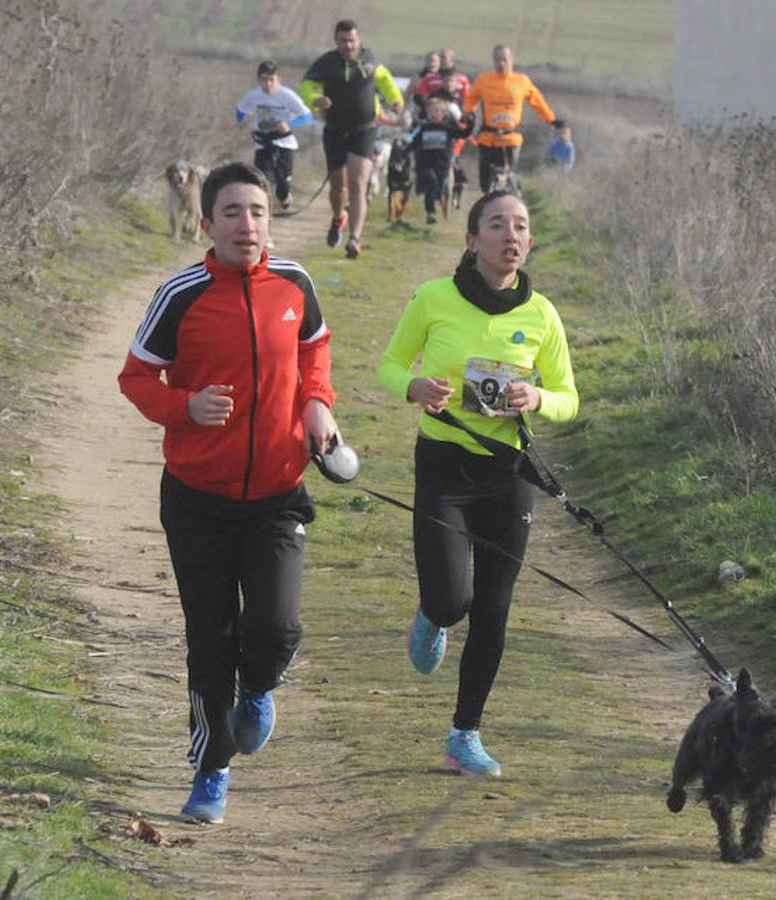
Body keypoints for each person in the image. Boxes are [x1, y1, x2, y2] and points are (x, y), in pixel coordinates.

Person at [118, 162, 339, 823]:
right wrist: (186, 407)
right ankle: (211, 771)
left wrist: (318, 406)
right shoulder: (180, 295)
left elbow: (315, 353)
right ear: (207, 221)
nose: (248, 225)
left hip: (278, 492)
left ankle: (259, 688)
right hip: (198, 499)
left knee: (276, 629)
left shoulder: (295, 284)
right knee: (209, 640)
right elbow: (136, 379)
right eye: (234, 213)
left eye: (259, 212)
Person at [377, 190, 579, 777]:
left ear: (529, 243)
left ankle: (464, 735)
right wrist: (413, 388)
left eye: (520, 226)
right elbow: (389, 365)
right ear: (472, 241)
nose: (510, 236)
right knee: (452, 600)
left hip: (505, 474)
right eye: (497, 225)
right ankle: (432, 614)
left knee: (494, 608)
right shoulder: (433, 299)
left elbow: (569, 397)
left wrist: (538, 396)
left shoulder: (541, 314)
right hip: (443, 465)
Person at [300, 19, 404, 259]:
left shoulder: (371, 60)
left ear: (359, 40)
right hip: (335, 130)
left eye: (352, 40)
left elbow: (387, 83)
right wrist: (315, 99)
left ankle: (355, 238)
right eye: (343, 41)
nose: (348, 45)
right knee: (338, 186)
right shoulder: (326, 63)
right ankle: (338, 217)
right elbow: (307, 85)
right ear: (336, 41)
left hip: (364, 129)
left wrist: (396, 100)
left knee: (358, 184)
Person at [464, 45, 563, 192]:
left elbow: (537, 101)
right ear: (493, 61)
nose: (501, 63)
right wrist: (468, 114)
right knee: (485, 183)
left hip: (511, 138)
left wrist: (551, 120)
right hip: (488, 138)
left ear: (512, 60)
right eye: (498, 60)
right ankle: (489, 205)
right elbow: (471, 98)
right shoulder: (484, 81)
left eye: (504, 59)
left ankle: (511, 197)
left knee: (505, 176)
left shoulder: (521, 81)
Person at [236, 60, 314, 211]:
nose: (268, 84)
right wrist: (242, 121)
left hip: (284, 143)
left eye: (272, 79)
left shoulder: (288, 96)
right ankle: (264, 214)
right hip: (263, 143)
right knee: (263, 181)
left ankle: (285, 198)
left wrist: (289, 125)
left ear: (279, 79)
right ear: (259, 80)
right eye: (264, 79)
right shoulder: (253, 96)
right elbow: (240, 109)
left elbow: (307, 116)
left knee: (282, 186)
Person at [411, 98, 471, 224]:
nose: (434, 114)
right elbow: (412, 141)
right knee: (430, 182)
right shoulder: (423, 128)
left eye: (437, 111)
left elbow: (464, 133)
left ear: (443, 114)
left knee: (438, 187)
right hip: (426, 164)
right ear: (427, 113)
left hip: (443, 165)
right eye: (431, 111)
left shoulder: (447, 128)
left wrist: (470, 121)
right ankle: (430, 212)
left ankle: (438, 203)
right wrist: (403, 150)